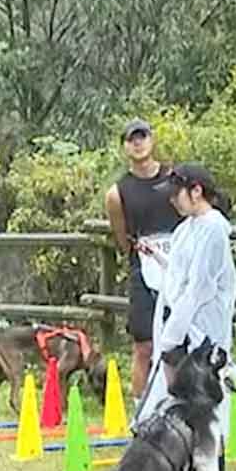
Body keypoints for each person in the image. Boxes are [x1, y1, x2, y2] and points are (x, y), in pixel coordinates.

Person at [137, 164, 236, 471]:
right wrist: (157, 257)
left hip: (203, 333)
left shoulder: (214, 228)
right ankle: (187, 467)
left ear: (196, 190)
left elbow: (200, 288)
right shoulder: (187, 228)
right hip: (182, 330)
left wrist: (170, 337)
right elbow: (180, 274)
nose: (172, 201)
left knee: (206, 403)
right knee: (180, 401)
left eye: (176, 194)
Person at [104, 119, 180, 399]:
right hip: (143, 269)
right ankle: (140, 413)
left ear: (152, 139)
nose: (138, 143)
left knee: (179, 342)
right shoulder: (117, 193)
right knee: (143, 345)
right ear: (124, 146)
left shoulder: (175, 178)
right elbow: (121, 236)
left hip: (178, 268)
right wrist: (141, 255)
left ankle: (179, 405)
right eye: (131, 139)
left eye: (142, 137)